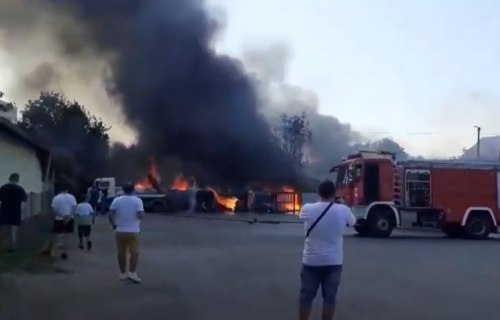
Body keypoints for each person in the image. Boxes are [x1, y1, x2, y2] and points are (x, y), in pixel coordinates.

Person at [298, 179, 356, 320]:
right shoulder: (343, 210)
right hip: (333, 261)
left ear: (319, 193)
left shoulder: (307, 209)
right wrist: (341, 204)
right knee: (329, 298)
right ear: (334, 193)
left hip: (311, 261)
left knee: (306, 296)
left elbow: (301, 218)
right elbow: (353, 222)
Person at [108, 182, 144, 283]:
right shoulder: (137, 201)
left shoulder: (117, 200)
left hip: (120, 231)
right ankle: (132, 273)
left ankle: (123, 273)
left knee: (121, 252)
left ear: (123, 190)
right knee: (134, 253)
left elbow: (110, 214)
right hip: (133, 231)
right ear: (133, 189)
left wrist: (114, 225)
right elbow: (140, 215)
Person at [42, 189, 77, 259]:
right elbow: (74, 207)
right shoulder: (72, 197)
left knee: (55, 235)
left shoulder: (56, 198)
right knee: (67, 236)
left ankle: (50, 250)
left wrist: (61, 215)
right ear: (67, 190)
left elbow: (54, 209)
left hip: (59, 218)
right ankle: (64, 252)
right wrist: (69, 216)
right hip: (69, 218)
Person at [0, 173, 27, 252]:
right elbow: (25, 201)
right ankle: (13, 246)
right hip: (15, 211)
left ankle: (2, 244)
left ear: (9, 179)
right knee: (13, 230)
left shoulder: (3, 188)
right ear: (17, 180)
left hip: (4, 210)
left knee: (3, 228)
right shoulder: (20, 189)